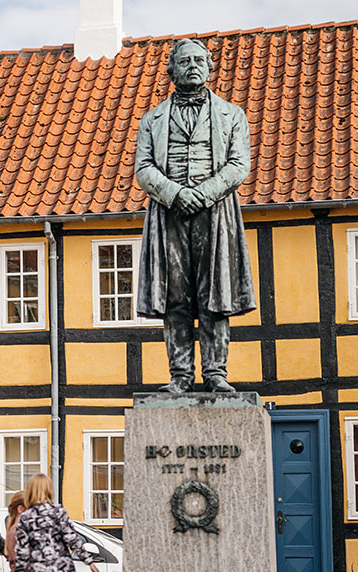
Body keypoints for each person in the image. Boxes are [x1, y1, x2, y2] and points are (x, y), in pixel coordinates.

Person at [133, 37, 255, 393]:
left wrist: (202, 194)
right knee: (176, 296)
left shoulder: (233, 115)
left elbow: (239, 164)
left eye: (199, 60)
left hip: (215, 213)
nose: (192, 66)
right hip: (169, 214)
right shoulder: (152, 119)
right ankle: (180, 375)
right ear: (171, 69)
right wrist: (175, 194)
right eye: (184, 61)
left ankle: (216, 372)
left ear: (210, 66)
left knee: (215, 293)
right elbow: (144, 168)